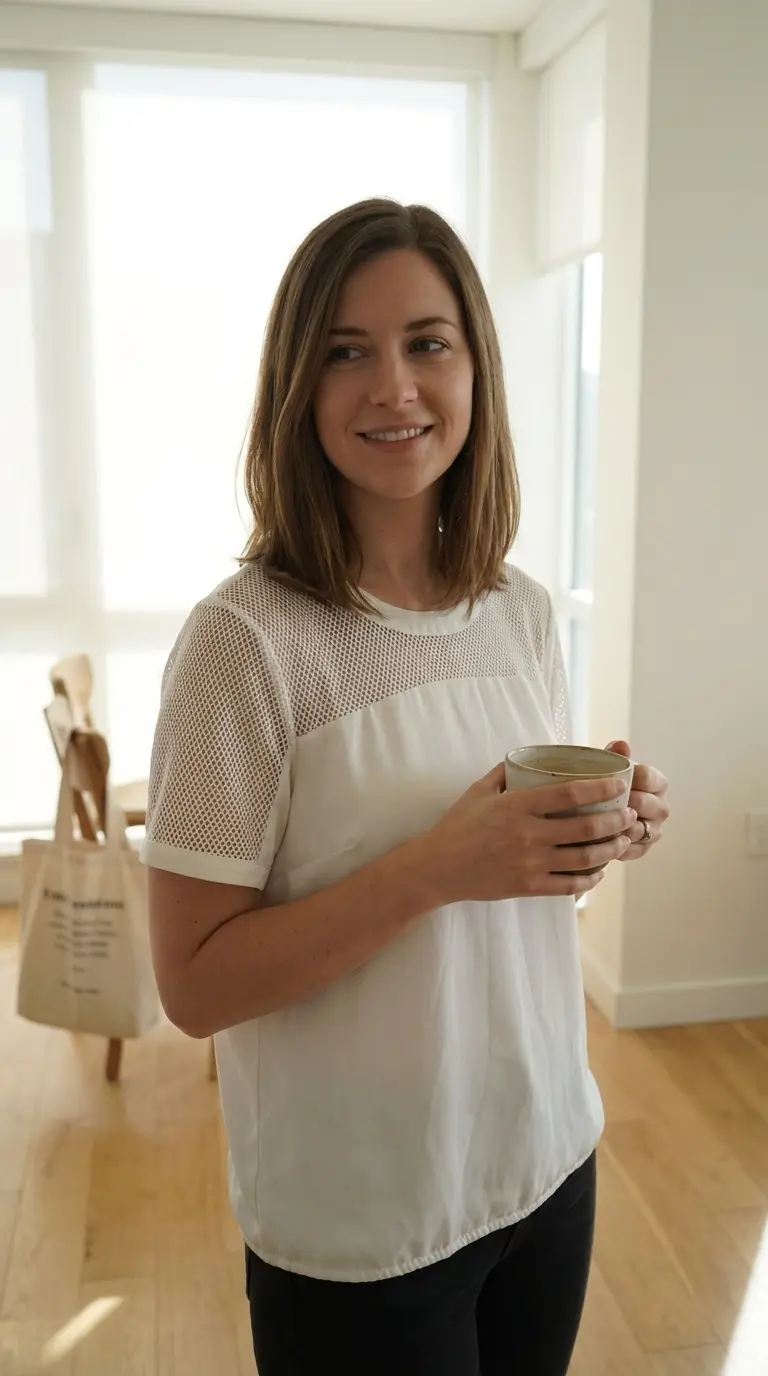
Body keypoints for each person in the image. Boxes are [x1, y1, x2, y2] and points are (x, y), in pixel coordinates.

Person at [141, 199, 670, 1376]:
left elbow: (523, 894)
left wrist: (590, 834)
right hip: (365, 1222)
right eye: (347, 350)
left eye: (428, 342)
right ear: (297, 384)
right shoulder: (247, 643)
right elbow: (192, 984)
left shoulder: (518, 610)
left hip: (546, 1155)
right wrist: (437, 865)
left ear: (475, 365)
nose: (394, 387)